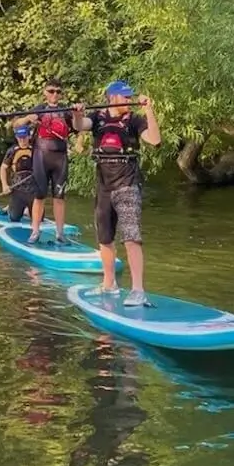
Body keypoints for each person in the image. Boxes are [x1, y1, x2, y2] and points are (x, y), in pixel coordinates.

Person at [70, 81, 162, 307]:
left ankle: (138, 290)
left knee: (131, 237)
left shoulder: (135, 120)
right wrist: (77, 114)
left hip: (127, 184)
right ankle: (109, 284)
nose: (129, 100)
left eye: (130, 96)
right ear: (113, 98)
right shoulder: (97, 118)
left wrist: (149, 110)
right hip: (104, 186)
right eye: (125, 97)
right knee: (105, 237)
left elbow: (155, 140)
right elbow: (80, 125)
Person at [12, 79, 75, 243]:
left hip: (60, 158)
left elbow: (79, 127)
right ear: (45, 93)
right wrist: (28, 118)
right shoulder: (39, 109)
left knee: (59, 196)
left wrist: (78, 115)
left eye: (58, 91)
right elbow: (17, 123)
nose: (55, 94)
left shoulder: (66, 111)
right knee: (39, 195)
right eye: (51, 91)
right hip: (41, 157)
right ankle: (35, 231)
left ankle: (60, 233)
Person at [0, 126, 37, 225]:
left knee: (38, 219)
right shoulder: (12, 151)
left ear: (29, 136)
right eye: (20, 137)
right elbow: (3, 168)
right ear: (16, 137)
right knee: (14, 218)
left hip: (33, 190)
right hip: (17, 190)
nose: (22, 140)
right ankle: (10, 208)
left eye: (24, 137)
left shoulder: (36, 150)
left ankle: (27, 210)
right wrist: (4, 185)